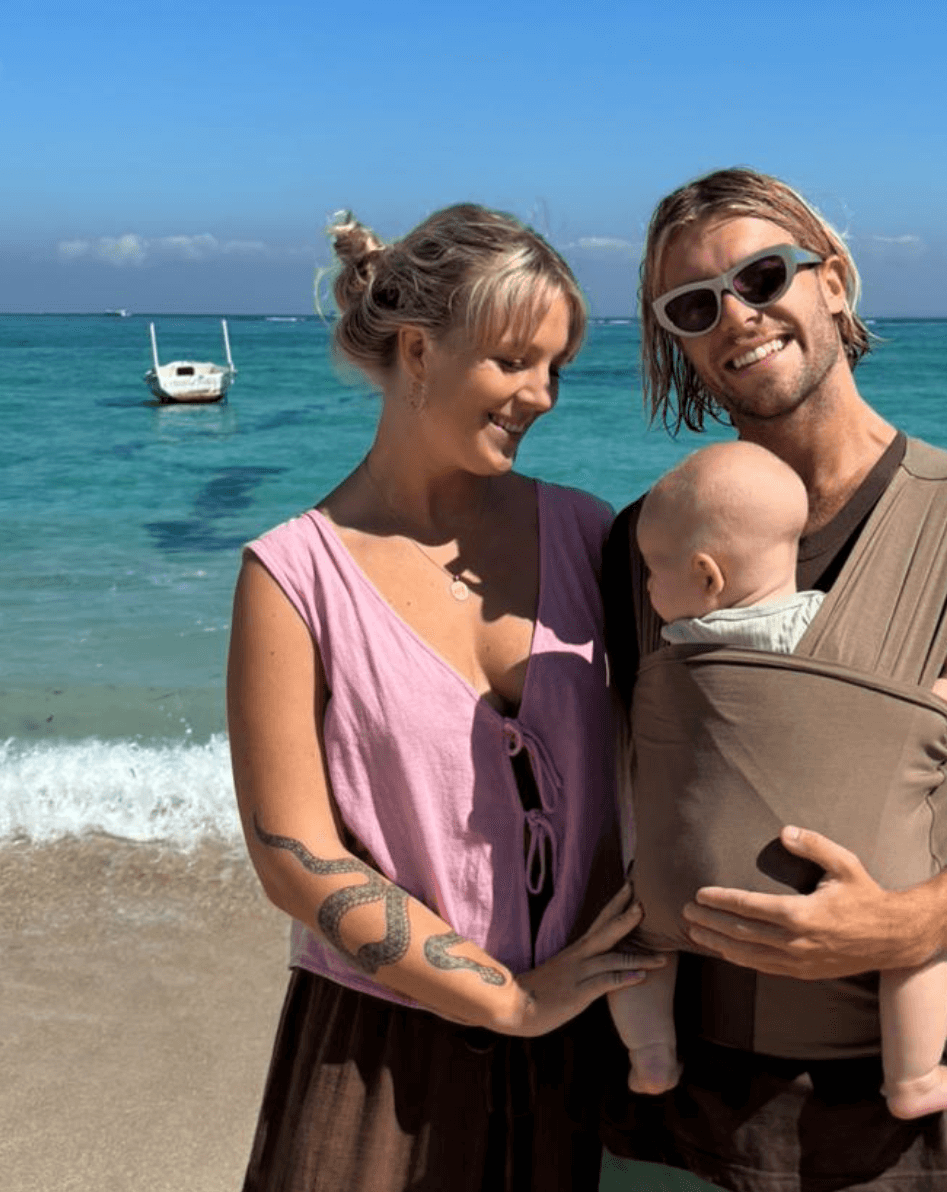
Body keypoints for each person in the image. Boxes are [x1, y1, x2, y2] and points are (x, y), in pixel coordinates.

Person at [599, 169, 947, 1191]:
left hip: (868, 1135)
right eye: (693, 306)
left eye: (763, 277)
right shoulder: (648, 542)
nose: (737, 318)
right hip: (659, 1111)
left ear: (832, 283)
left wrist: (909, 925)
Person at [226, 204, 661, 1191]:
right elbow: (292, 857)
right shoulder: (292, 577)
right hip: (381, 1054)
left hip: (590, 1035)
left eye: (557, 367)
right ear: (419, 349)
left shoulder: (590, 537)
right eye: (514, 361)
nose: (542, 395)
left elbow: (701, 706)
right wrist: (506, 999)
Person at [610, 439, 947, 1120]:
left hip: (681, 889)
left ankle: (652, 1054)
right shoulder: (847, 640)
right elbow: (897, 717)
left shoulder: (679, 643)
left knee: (636, 941)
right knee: (917, 944)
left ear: (707, 578)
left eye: (651, 573)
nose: (645, 590)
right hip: (854, 889)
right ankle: (913, 1079)